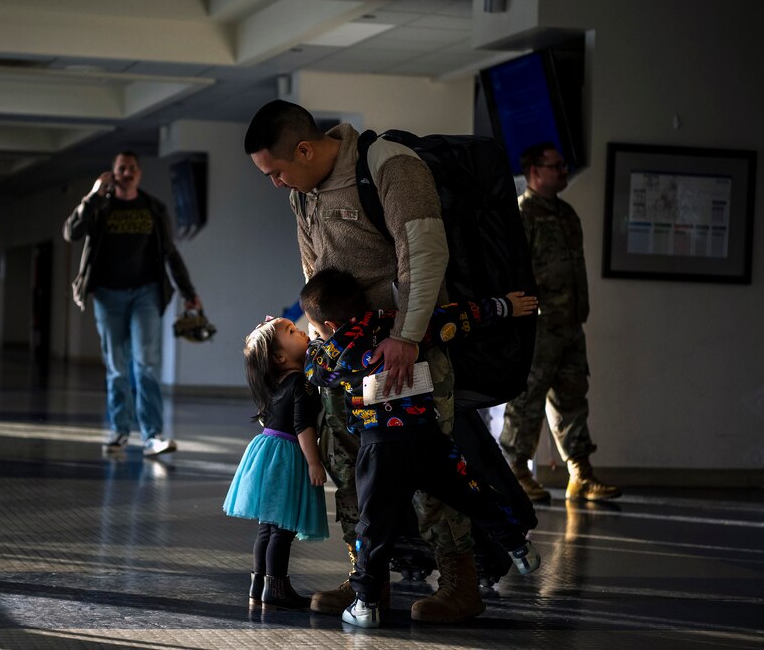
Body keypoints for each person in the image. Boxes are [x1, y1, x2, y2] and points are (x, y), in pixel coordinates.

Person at [244, 100, 483, 623]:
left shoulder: (388, 166)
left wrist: (407, 336)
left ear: (304, 149)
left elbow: (422, 253)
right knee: (349, 470)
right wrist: (315, 349)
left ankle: (460, 583)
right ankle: (366, 583)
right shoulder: (302, 196)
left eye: (277, 171)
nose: (276, 183)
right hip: (345, 360)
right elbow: (315, 276)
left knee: (420, 466)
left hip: (400, 354)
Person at [299, 268, 540, 628]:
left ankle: (366, 604)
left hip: (381, 452)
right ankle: (519, 546)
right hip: (429, 438)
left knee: (373, 529)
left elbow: (316, 373)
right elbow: (455, 318)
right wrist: (504, 307)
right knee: (472, 493)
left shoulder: (337, 350)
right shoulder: (399, 326)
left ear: (330, 325)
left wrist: (316, 344)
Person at [500, 143, 621, 503]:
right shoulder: (522, 215)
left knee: (573, 396)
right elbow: (513, 271)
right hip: (537, 326)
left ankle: (580, 474)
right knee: (527, 399)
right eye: (556, 166)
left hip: (570, 323)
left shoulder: (567, 215)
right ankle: (515, 472)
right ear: (535, 171)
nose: (564, 171)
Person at [62, 151, 201, 458]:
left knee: (146, 364)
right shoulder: (100, 206)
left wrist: (188, 291)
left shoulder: (152, 207)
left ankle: (152, 436)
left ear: (139, 174)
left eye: (132, 169)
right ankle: (119, 432)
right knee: (117, 367)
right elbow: (71, 232)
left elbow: (169, 253)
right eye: (121, 168)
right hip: (107, 295)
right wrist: (93, 195)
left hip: (145, 294)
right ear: (112, 173)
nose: (127, 173)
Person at [222, 316, 328, 610]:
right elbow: (303, 425)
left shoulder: (276, 383)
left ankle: (259, 584)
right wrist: (314, 462)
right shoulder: (300, 384)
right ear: (280, 357)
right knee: (283, 529)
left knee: (267, 527)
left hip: (266, 451)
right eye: (292, 331)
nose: (302, 331)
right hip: (288, 455)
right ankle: (277, 589)